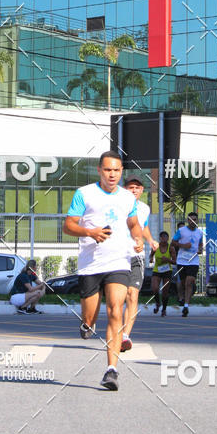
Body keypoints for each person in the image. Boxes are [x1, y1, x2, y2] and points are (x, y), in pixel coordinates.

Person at [63, 150, 143, 391]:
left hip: (119, 261)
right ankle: (87, 324)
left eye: (116, 170)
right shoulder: (84, 194)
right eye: (108, 170)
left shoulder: (128, 198)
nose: (112, 174)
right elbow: (68, 225)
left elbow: (133, 224)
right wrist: (90, 232)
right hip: (91, 264)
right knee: (89, 317)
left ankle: (111, 371)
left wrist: (138, 238)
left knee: (116, 310)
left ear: (121, 172)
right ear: (99, 170)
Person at [120, 175, 157, 352]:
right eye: (130, 187)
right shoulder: (117, 205)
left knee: (132, 295)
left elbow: (144, 227)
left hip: (137, 256)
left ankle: (125, 336)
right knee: (117, 298)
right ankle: (114, 329)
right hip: (118, 255)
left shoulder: (145, 208)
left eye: (137, 187)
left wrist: (150, 240)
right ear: (124, 189)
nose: (133, 190)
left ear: (142, 190)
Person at [175, 212, 204, 317]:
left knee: (189, 282)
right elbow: (173, 242)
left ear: (197, 221)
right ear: (188, 220)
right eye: (191, 220)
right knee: (183, 283)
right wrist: (183, 245)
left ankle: (186, 306)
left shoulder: (199, 233)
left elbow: (200, 244)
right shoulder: (182, 231)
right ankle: (183, 298)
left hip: (193, 261)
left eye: (195, 220)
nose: (193, 222)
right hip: (182, 260)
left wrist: (200, 249)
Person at [150, 231, 174, 316]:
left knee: (165, 291)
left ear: (168, 238)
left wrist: (168, 260)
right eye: (162, 237)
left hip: (167, 270)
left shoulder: (171, 248)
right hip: (157, 270)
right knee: (154, 288)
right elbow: (151, 255)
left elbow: (175, 261)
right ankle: (157, 302)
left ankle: (164, 309)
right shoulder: (156, 247)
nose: (164, 239)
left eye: (166, 238)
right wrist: (151, 259)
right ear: (160, 238)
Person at [170, 221, 185, 304]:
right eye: (180, 228)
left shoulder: (188, 237)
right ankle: (180, 298)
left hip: (188, 262)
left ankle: (185, 297)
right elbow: (172, 249)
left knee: (187, 280)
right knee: (179, 280)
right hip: (179, 262)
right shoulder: (176, 239)